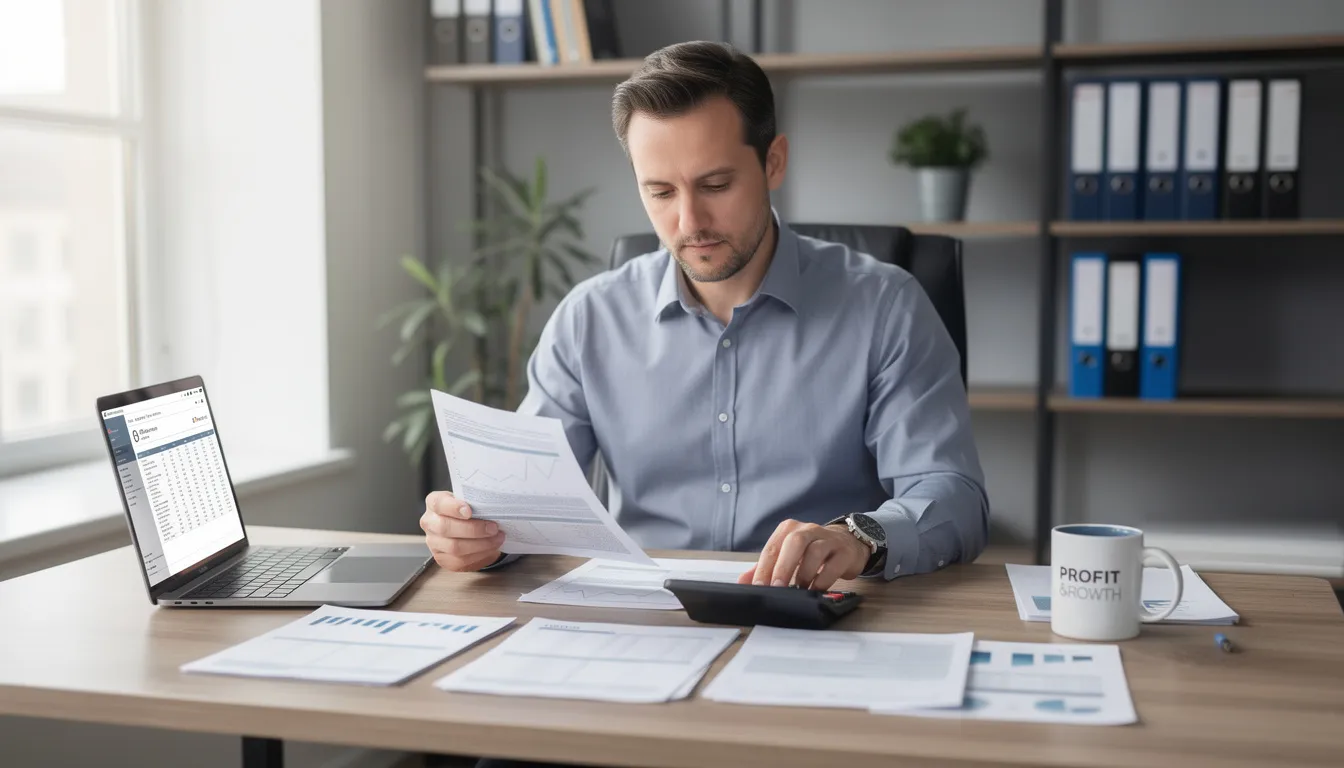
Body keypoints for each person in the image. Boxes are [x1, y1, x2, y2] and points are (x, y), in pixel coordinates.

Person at [421, 39, 989, 601]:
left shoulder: (885, 306)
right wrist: (480, 535)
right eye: (660, 191)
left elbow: (953, 496)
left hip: (817, 612)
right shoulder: (588, 319)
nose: (689, 220)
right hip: (643, 620)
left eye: (715, 185)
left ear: (773, 162)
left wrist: (858, 536)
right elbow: (526, 507)